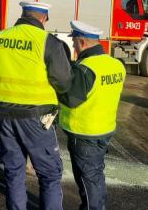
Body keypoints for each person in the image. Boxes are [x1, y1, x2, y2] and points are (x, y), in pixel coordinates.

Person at [0, 1, 72, 210]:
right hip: (36, 117)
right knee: (49, 173)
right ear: (43, 18)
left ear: (23, 14)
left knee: (14, 170)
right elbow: (63, 81)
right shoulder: (47, 41)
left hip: (4, 113)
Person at [58, 20, 125, 210]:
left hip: (84, 133)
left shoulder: (85, 68)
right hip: (105, 129)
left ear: (82, 42)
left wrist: (57, 86)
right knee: (95, 176)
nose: (73, 46)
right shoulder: (116, 64)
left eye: (74, 42)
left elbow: (71, 99)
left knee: (88, 182)